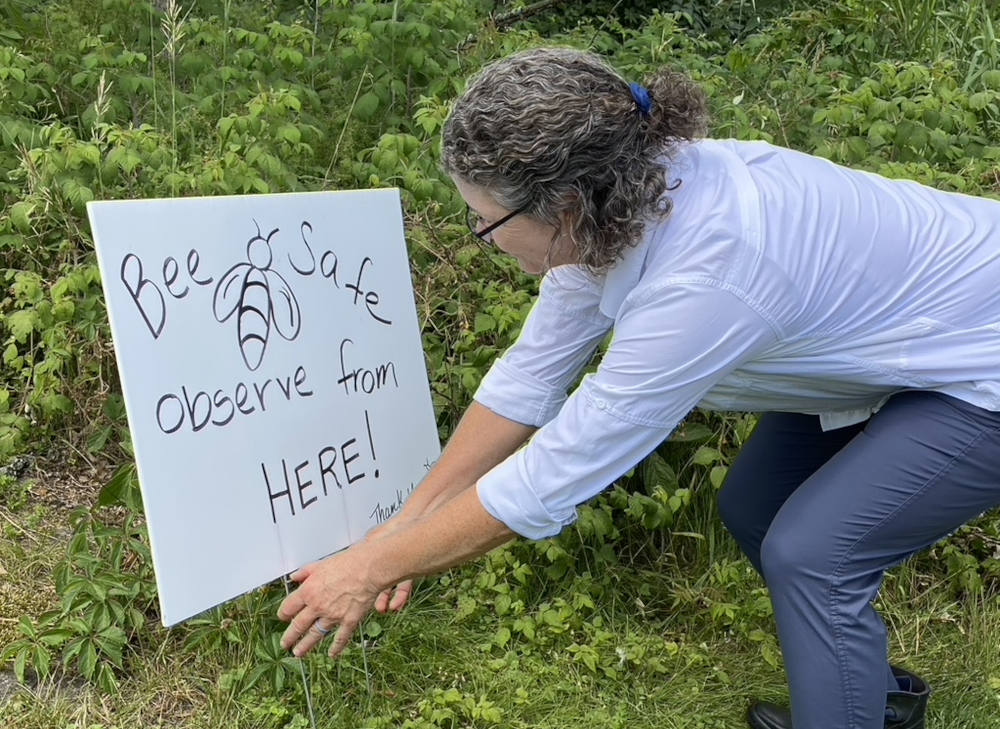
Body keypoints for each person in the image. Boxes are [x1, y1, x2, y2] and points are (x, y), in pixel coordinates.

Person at [277, 47, 1000, 729]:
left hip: (982, 360)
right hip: (899, 343)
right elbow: (530, 378)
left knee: (814, 553)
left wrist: (373, 570)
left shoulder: (707, 270)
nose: (481, 235)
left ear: (560, 207)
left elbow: (552, 476)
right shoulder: (619, 206)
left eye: (485, 219)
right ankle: (864, 701)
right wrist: (401, 530)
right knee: (755, 507)